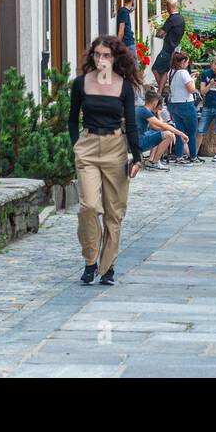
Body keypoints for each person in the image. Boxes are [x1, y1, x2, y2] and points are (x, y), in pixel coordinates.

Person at [68, 35, 142, 286]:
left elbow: (131, 124)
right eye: (97, 54)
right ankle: (90, 260)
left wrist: (138, 157)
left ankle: (107, 266)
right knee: (89, 206)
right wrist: (76, 144)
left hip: (115, 148)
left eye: (106, 55)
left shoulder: (124, 87)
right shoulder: (81, 83)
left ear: (115, 58)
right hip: (88, 147)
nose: (101, 59)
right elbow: (71, 119)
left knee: (114, 212)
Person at [137, 87, 185, 171]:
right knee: (168, 135)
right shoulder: (145, 112)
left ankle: (151, 161)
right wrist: (181, 134)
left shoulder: (139, 109)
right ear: (155, 102)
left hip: (132, 141)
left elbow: (155, 127)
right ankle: (154, 163)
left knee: (156, 132)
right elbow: (163, 126)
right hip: (138, 143)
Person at [165, 50, 199, 164]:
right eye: (187, 62)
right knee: (191, 132)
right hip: (186, 104)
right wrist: (193, 80)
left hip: (174, 104)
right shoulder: (183, 72)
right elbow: (192, 90)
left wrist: (190, 78)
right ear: (183, 61)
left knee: (179, 131)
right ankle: (193, 156)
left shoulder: (171, 72)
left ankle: (179, 156)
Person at [152, 0, 186, 93]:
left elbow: (161, 33)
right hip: (175, 49)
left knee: (154, 69)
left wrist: (155, 31)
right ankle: (161, 91)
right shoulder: (181, 18)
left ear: (169, 8)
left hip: (167, 50)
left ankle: (161, 91)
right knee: (165, 71)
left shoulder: (171, 19)